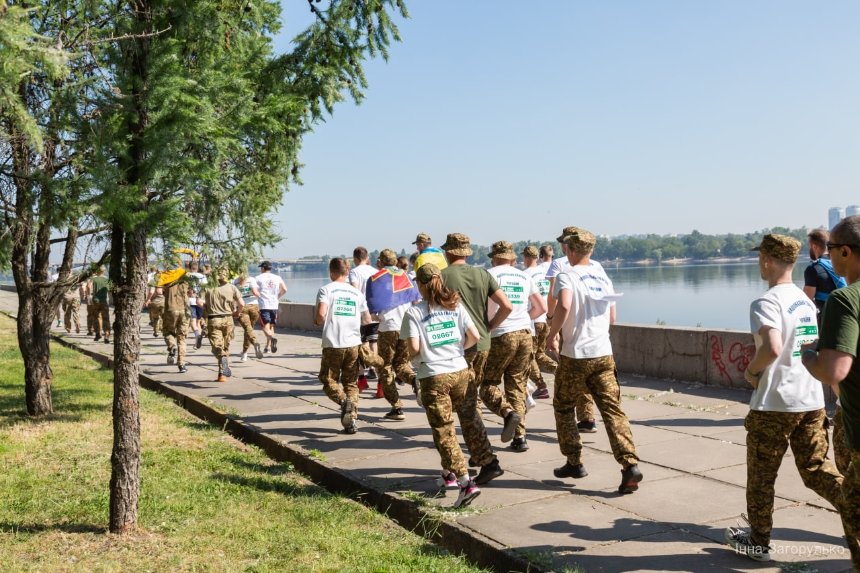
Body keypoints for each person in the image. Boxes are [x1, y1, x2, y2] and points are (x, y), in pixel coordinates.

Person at [723, 234, 844, 563]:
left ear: (766, 260)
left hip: (774, 403)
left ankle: (758, 542)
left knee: (762, 477)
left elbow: (773, 349)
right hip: (810, 398)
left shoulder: (765, 303)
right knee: (817, 470)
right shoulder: (805, 302)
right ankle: (855, 506)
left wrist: (751, 372)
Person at [546, 229, 642, 494]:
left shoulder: (567, 274)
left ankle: (574, 461)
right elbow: (612, 316)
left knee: (564, 406)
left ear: (571, 249)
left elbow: (563, 306)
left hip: (576, 354)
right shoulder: (601, 272)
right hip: (603, 352)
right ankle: (629, 464)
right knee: (613, 410)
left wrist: (552, 335)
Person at [801, 216, 860, 569]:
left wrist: (809, 355)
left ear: (845, 253)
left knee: (853, 512)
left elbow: (834, 370)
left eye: (832, 250)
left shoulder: (844, 299)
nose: (828, 256)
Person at [401, 263, 482, 507]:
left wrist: (420, 359)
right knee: (461, 420)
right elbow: (475, 337)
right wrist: (456, 352)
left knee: (444, 430)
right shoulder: (455, 305)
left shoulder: (414, 313)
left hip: (434, 376)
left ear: (421, 285)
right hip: (460, 371)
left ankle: (466, 484)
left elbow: (414, 349)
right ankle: (448, 474)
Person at [441, 232, 510, 484]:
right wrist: (489, 327)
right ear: (467, 252)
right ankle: (477, 453)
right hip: (483, 344)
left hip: (459, 348)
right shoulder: (483, 274)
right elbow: (507, 306)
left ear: (448, 253)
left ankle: (487, 460)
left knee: (465, 407)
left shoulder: (443, 276)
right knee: (470, 399)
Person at [483, 241, 546, 452]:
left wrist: (492, 326)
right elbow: (541, 307)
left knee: (488, 384)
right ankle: (520, 438)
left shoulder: (489, 274)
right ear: (513, 259)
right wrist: (522, 319)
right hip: (525, 334)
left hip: (500, 334)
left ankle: (507, 412)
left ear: (494, 257)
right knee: (517, 386)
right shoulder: (524, 276)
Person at [546, 226, 598, 432]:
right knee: (588, 377)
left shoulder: (558, 264)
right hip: (593, 328)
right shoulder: (594, 264)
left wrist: (551, 320)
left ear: (565, 244)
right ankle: (587, 417)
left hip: (569, 326)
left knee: (568, 377)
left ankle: (570, 431)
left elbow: (554, 296)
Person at [315, 257, 374, 434]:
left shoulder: (326, 289)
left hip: (333, 343)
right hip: (353, 343)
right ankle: (351, 421)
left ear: (331, 272)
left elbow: (321, 314)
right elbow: (367, 319)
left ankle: (343, 402)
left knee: (328, 379)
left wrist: (319, 321)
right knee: (351, 383)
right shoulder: (356, 293)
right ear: (346, 271)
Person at [367, 248, 420, 420]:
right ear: (395, 261)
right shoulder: (406, 276)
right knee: (402, 365)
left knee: (385, 367)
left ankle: (397, 407)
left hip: (388, 327)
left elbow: (373, 309)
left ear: (380, 261)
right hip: (407, 327)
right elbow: (417, 301)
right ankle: (415, 381)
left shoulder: (376, 278)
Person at [523, 245, 555, 399]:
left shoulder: (525, 275)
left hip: (533, 320)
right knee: (540, 354)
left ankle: (542, 386)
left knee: (531, 357)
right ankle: (561, 371)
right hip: (545, 318)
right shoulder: (545, 273)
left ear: (526, 258)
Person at [204, 268, 244, 382]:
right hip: (228, 319)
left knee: (217, 347)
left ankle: (222, 360)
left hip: (214, 319)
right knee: (226, 346)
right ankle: (221, 375)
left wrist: (206, 308)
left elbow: (199, 302)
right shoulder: (232, 287)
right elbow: (242, 303)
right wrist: (237, 313)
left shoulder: (208, 287)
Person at [349, 246, 381, 383]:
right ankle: (374, 369)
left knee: (362, 343)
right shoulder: (376, 271)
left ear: (355, 258)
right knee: (374, 341)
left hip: (361, 314)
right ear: (367, 257)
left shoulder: (354, 272)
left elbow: (355, 291)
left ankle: (362, 376)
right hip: (374, 311)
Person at [804, 228, 846, 327]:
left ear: (814, 247)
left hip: (827, 319)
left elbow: (806, 301)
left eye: (809, 247)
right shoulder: (842, 263)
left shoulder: (813, 269)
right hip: (847, 313)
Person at [255, 260, 287, 353]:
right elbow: (285, 289)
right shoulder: (277, 277)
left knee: (265, 326)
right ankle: (268, 347)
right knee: (271, 326)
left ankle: (272, 338)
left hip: (264, 305)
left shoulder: (257, 278)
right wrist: (277, 296)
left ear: (263, 268)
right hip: (274, 305)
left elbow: (254, 290)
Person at [162, 275, 190, 374]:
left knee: (167, 331)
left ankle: (172, 346)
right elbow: (190, 292)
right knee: (182, 338)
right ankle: (181, 364)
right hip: (184, 310)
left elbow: (161, 290)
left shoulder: (166, 278)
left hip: (170, 310)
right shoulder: (186, 279)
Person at [235, 271, 264, 362]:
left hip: (242, 307)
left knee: (248, 329)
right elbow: (255, 292)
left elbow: (233, 297)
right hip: (254, 307)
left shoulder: (235, 281)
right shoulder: (251, 279)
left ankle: (254, 343)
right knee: (249, 329)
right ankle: (244, 353)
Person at [187, 260, 207, 349]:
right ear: (197, 267)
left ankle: (197, 334)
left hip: (190, 301)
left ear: (189, 267)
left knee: (193, 322)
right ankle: (196, 343)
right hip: (200, 301)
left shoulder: (187, 276)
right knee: (198, 321)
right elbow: (205, 288)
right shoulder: (202, 276)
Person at [90, 266, 111, 344]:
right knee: (106, 318)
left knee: (97, 317)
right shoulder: (107, 280)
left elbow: (89, 287)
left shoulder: (93, 279)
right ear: (104, 271)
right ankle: (107, 334)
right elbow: (111, 290)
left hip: (96, 301)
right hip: (104, 301)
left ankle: (98, 333)